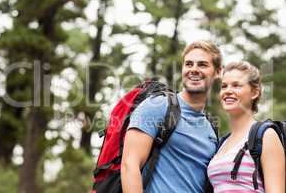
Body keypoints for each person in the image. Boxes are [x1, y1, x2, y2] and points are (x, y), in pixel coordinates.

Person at [121, 40, 222, 193]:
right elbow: (130, 164)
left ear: (218, 72)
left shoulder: (211, 128)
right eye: (188, 64)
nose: (194, 70)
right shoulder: (158, 106)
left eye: (202, 65)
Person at [207, 61, 285, 192]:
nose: (228, 91)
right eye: (224, 86)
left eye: (236, 85)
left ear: (254, 92)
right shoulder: (221, 144)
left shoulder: (266, 135)